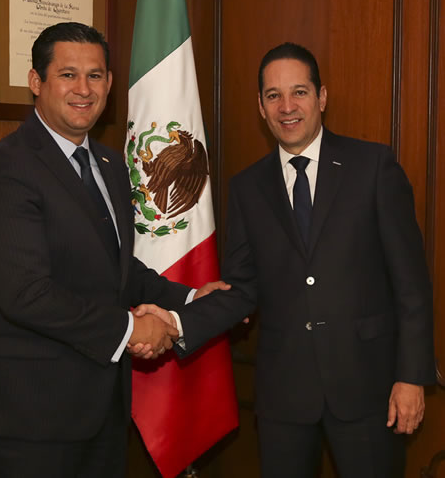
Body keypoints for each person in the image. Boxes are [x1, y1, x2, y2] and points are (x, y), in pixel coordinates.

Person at [136, 42, 435, 477]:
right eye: (273, 95)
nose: (287, 106)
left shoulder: (372, 167)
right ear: (260, 106)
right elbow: (241, 290)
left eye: (299, 92)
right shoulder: (246, 188)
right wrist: (176, 323)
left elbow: (412, 284)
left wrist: (412, 378)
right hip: (284, 398)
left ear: (322, 97)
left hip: (369, 391)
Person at [0, 22, 224, 478]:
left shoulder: (110, 165)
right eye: (67, 75)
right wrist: (131, 327)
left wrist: (191, 299)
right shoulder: (6, 170)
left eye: (95, 75)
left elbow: (118, 267)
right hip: (27, 417)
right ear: (36, 82)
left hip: (100, 409)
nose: (83, 89)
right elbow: (26, 294)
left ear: (111, 84)